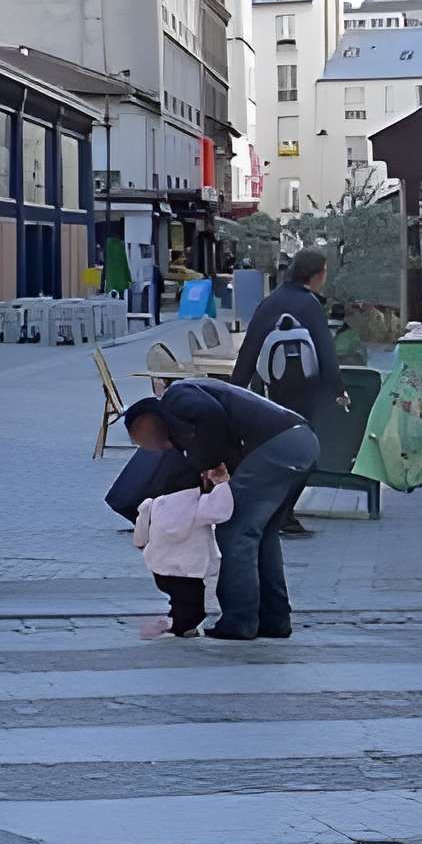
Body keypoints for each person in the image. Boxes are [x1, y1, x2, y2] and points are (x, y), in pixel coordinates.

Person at [119, 378, 320, 641]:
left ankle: (240, 620)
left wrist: (211, 465)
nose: (152, 448)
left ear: (146, 420)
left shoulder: (176, 397)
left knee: (234, 533)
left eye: (143, 441)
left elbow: (210, 414)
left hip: (272, 446)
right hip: (301, 442)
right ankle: (274, 619)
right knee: (263, 535)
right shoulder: (184, 410)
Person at [231, 250, 341, 539]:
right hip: (303, 396)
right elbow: (325, 351)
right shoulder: (310, 305)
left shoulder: (269, 303)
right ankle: (283, 513)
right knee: (305, 454)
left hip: (267, 392)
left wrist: (234, 389)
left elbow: (249, 348)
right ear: (316, 275)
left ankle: (270, 511)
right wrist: (338, 389)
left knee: (269, 452)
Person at [131, 462, 234, 639]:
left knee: (178, 597)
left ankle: (177, 618)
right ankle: (184, 628)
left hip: (160, 566)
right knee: (193, 603)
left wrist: (140, 543)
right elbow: (221, 511)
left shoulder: (155, 503)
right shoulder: (199, 505)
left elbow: (142, 525)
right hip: (188, 570)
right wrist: (222, 484)